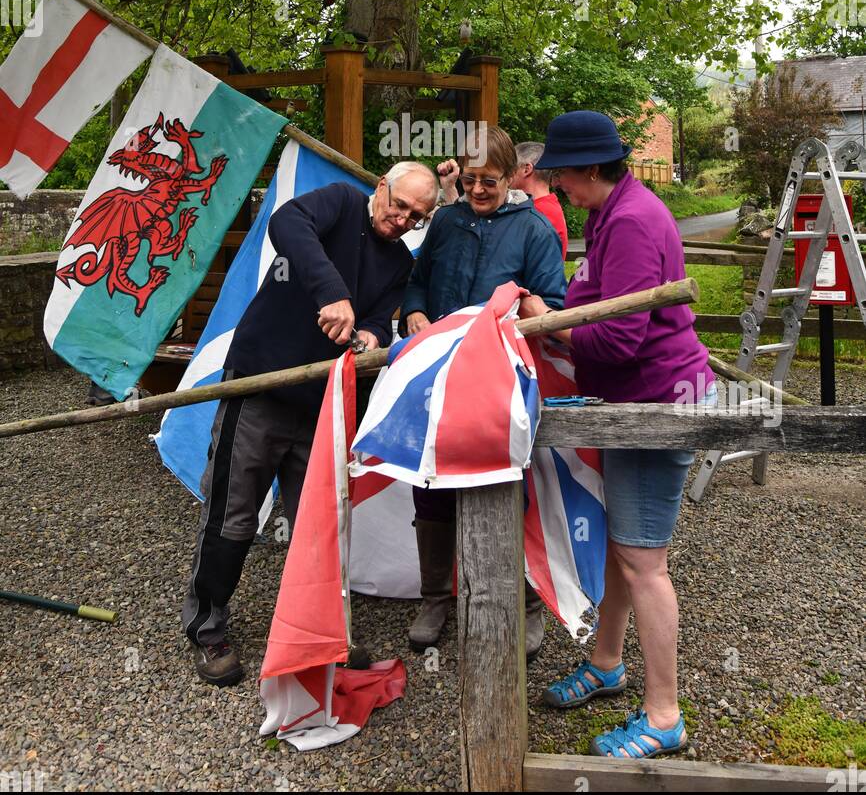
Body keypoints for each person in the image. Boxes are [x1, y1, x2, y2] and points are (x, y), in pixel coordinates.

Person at [182, 161, 439, 685]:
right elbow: (287, 224)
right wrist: (330, 291)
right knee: (233, 516)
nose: (402, 218)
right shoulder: (340, 202)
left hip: (322, 408)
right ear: (381, 187)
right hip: (259, 386)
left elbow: (374, 319)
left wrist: (369, 337)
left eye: (416, 215)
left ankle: (320, 635)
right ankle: (208, 628)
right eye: (398, 204)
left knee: (318, 530)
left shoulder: (397, 262)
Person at [518, 110, 715, 760]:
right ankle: (608, 664)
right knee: (620, 545)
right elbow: (596, 292)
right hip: (634, 400)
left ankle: (664, 715)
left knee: (646, 562)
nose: (559, 187)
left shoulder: (630, 220)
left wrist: (552, 326)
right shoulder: (610, 212)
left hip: (659, 405)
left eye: (564, 175)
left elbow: (623, 336)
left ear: (592, 169)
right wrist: (566, 308)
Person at [401, 126, 566, 659]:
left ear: (511, 177)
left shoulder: (534, 230)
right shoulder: (446, 221)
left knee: (506, 482)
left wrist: (522, 313)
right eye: (469, 180)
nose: (476, 189)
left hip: (500, 376)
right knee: (430, 479)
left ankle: (524, 603)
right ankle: (435, 596)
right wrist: (414, 312)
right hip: (440, 373)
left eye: (487, 181)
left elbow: (552, 303)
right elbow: (417, 281)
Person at [513, 141, 569, 258]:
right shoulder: (545, 206)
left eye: (511, 168)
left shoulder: (539, 211)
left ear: (526, 169)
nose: (506, 174)